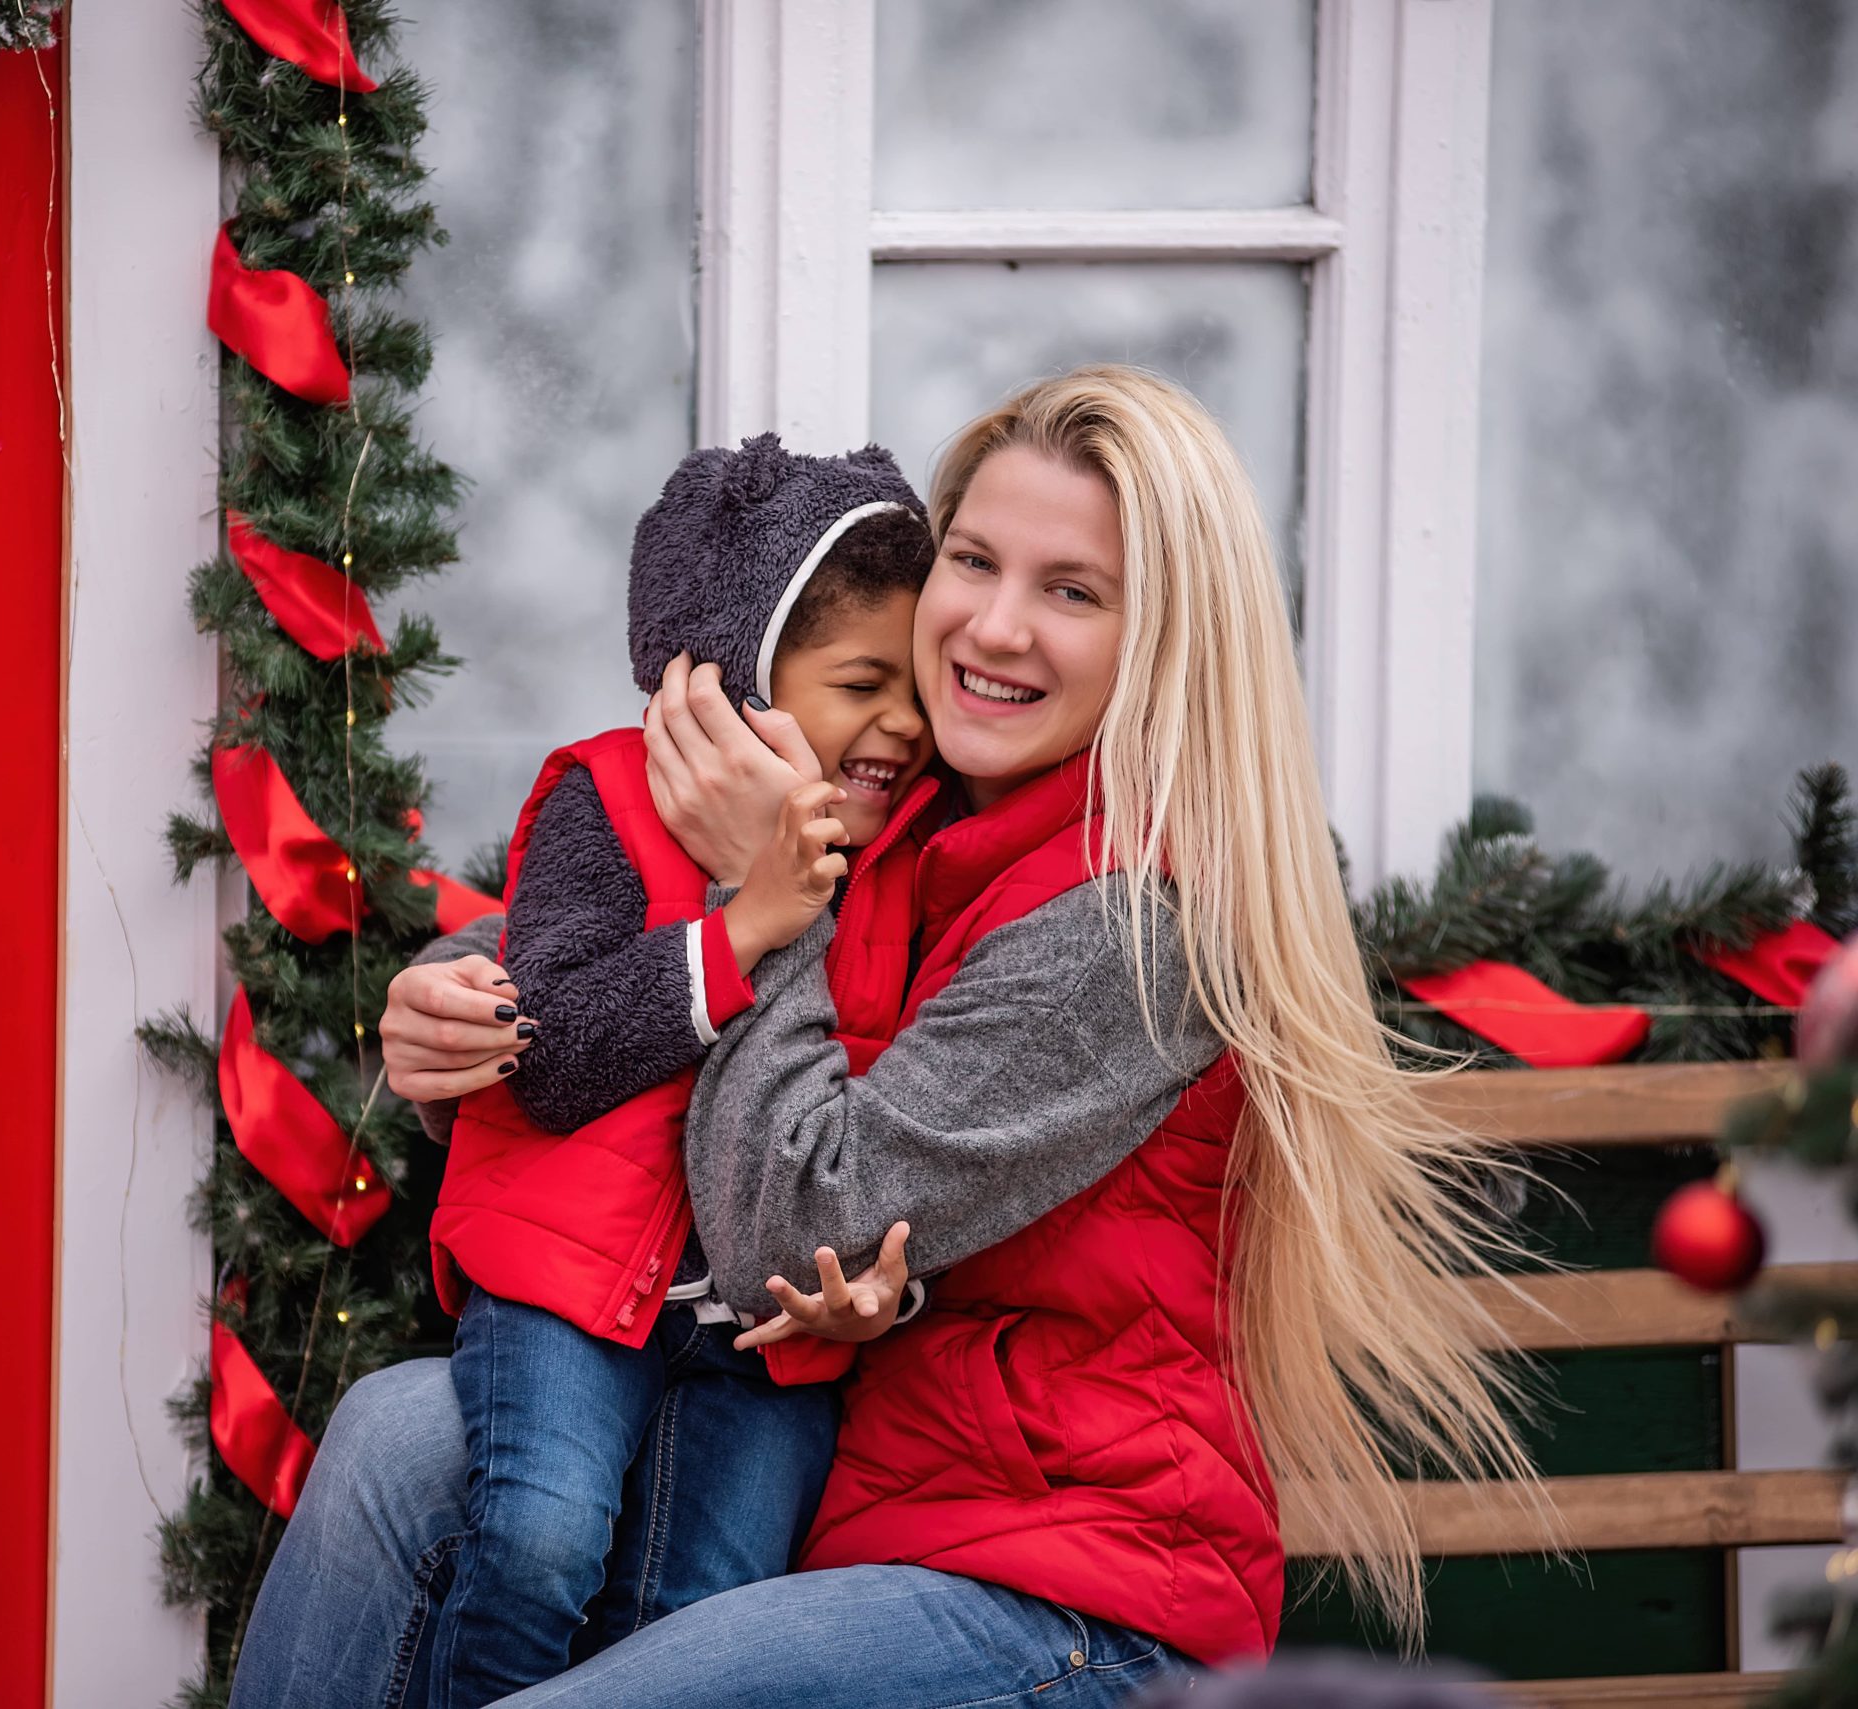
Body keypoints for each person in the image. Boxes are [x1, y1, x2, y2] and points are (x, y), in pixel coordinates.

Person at [230, 365, 1544, 1709]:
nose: (997, 626)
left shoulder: (1133, 923)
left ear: (1165, 641)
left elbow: (795, 1216)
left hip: (1060, 1596)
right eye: (974, 561)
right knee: (397, 1436)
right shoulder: (928, 819)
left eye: (1073, 591)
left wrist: (768, 900)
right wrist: (463, 992)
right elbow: (649, 931)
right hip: (860, 1496)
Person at [425, 435, 936, 1707]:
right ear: (738, 679)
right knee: (537, 1545)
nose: (903, 726)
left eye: (915, 686)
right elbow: (549, 1055)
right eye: (862, 681)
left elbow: (899, 1111)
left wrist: (887, 1289)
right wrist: (745, 923)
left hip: (764, 1332)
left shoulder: (912, 863)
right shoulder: (608, 798)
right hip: (568, 1283)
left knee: (702, 1621)